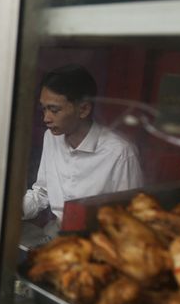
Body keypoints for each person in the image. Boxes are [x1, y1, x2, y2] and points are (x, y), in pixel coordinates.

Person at [22, 64, 143, 233]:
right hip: (56, 234)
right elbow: (42, 192)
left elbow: (131, 218)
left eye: (54, 110)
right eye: (44, 109)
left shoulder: (120, 153)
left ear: (84, 109)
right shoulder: (51, 138)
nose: (46, 118)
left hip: (99, 241)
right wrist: (10, 210)